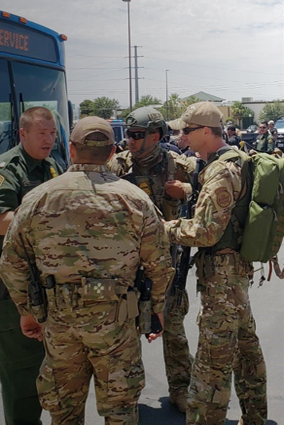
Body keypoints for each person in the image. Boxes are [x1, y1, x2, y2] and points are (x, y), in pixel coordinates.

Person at [0, 116, 175, 425]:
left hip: (59, 321)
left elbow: (12, 263)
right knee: (121, 411)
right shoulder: (135, 199)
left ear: (71, 149)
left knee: (64, 412)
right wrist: (155, 309)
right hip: (117, 322)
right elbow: (159, 263)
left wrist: (26, 311)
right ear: (111, 152)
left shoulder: (37, 199)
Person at [166, 101, 269, 425]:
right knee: (245, 347)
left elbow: (205, 232)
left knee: (212, 362)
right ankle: (254, 417)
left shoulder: (221, 170)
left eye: (187, 130)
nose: (182, 136)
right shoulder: (231, 160)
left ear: (207, 132)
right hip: (234, 271)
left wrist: (160, 228)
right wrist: (187, 190)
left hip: (222, 278)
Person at [108, 106, 198, 413]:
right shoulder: (117, 165)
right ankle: (128, 396)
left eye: (136, 135)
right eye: (128, 135)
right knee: (126, 332)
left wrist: (185, 192)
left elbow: (205, 200)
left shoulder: (180, 165)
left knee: (173, 328)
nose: (130, 141)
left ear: (156, 136)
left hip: (166, 262)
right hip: (127, 263)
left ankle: (181, 388)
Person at [0, 106, 64, 425]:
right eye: (42, 133)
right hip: (12, 286)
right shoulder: (4, 168)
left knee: (54, 364)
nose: (48, 139)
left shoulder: (53, 165)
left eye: (52, 132)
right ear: (23, 133)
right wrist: (46, 221)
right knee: (19, 371)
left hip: (49, 281)